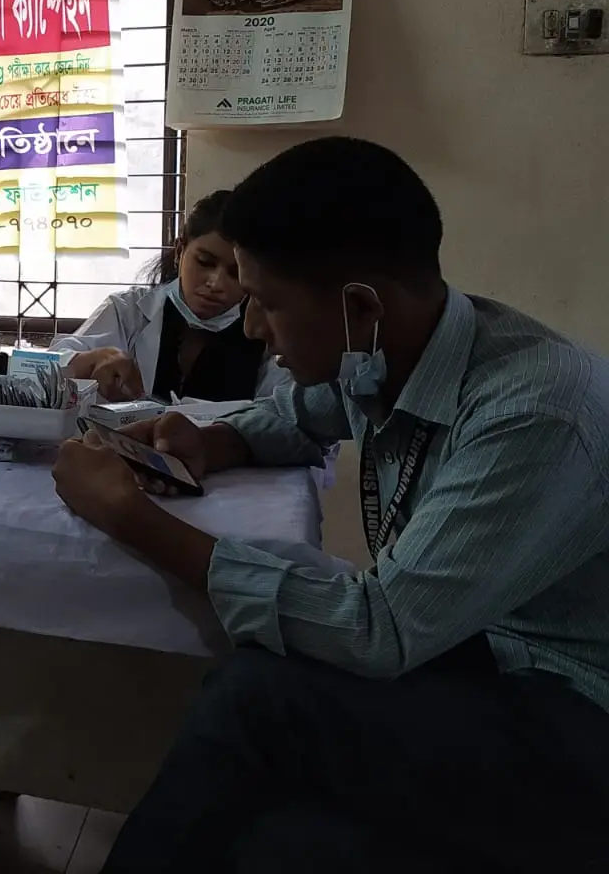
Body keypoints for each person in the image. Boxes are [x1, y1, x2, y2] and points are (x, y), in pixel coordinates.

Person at [49, 136, 609, 872]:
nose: (252, 327)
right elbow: (303, 415)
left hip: (572, 715)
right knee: (274, 829)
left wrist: (131, 518)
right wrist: (209, 442)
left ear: (361, 306)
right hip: (474, 656)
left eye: (266, 302)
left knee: (258, 698)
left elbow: (377, 630)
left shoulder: (534, 413)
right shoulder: (396, 350)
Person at [50, 190, 286, 403]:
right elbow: (46, 368)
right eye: (204, 262)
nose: (216, 283)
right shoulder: (128, 311)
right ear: (180, 251)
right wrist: (92, 359)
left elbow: (280, 414)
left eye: (236, 272)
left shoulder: (268, 335)